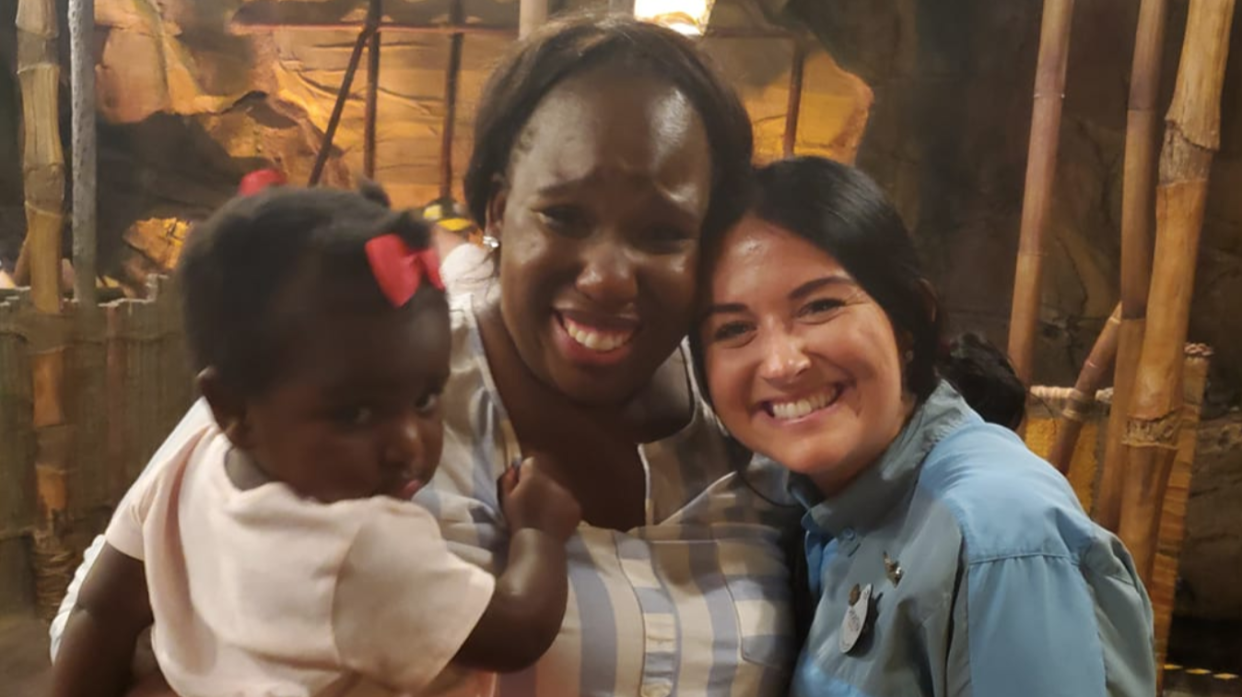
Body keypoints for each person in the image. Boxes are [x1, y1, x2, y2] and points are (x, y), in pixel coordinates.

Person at [52, 15, 802, 697]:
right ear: (499, 210)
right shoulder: (349, 361)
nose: (607, 275)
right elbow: (104, 613)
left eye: (664, 232)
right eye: (563, 216)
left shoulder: (753, 405)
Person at [50, 185, 583, 697]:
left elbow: (101, 613)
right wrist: (539, 530)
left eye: (425, 398)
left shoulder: (184, 469)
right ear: (234, 408)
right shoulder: (361, 547)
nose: (408, 443)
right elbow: (518, 631)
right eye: (355, 413)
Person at [694, 156, 1156, 697]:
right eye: (734, 328)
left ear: (909, 318)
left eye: (819, 306)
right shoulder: (820, 509)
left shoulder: (1001, 532)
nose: (780, 363)